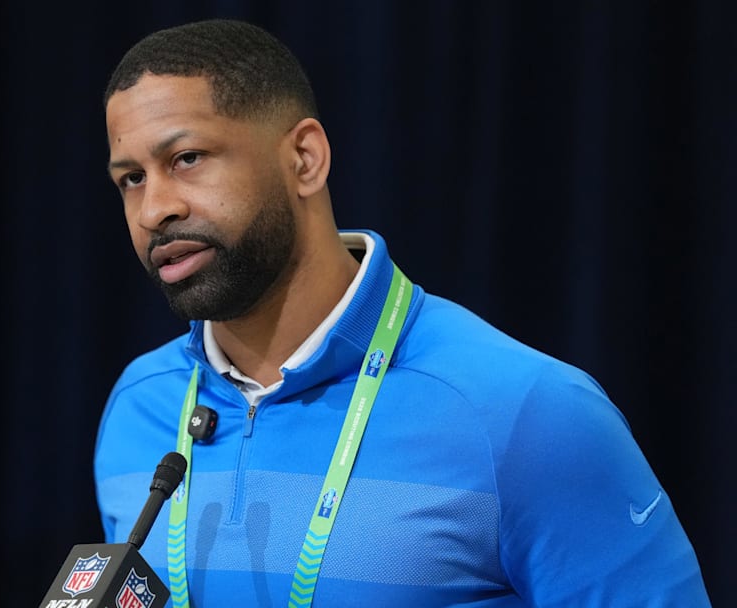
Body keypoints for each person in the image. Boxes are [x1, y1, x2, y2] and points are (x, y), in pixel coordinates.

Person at [93, 17, 711, 607]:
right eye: (130, 179)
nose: (154, 210)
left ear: (304, 159)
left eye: (186, 159)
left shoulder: (527, 414)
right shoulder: (138, 405)